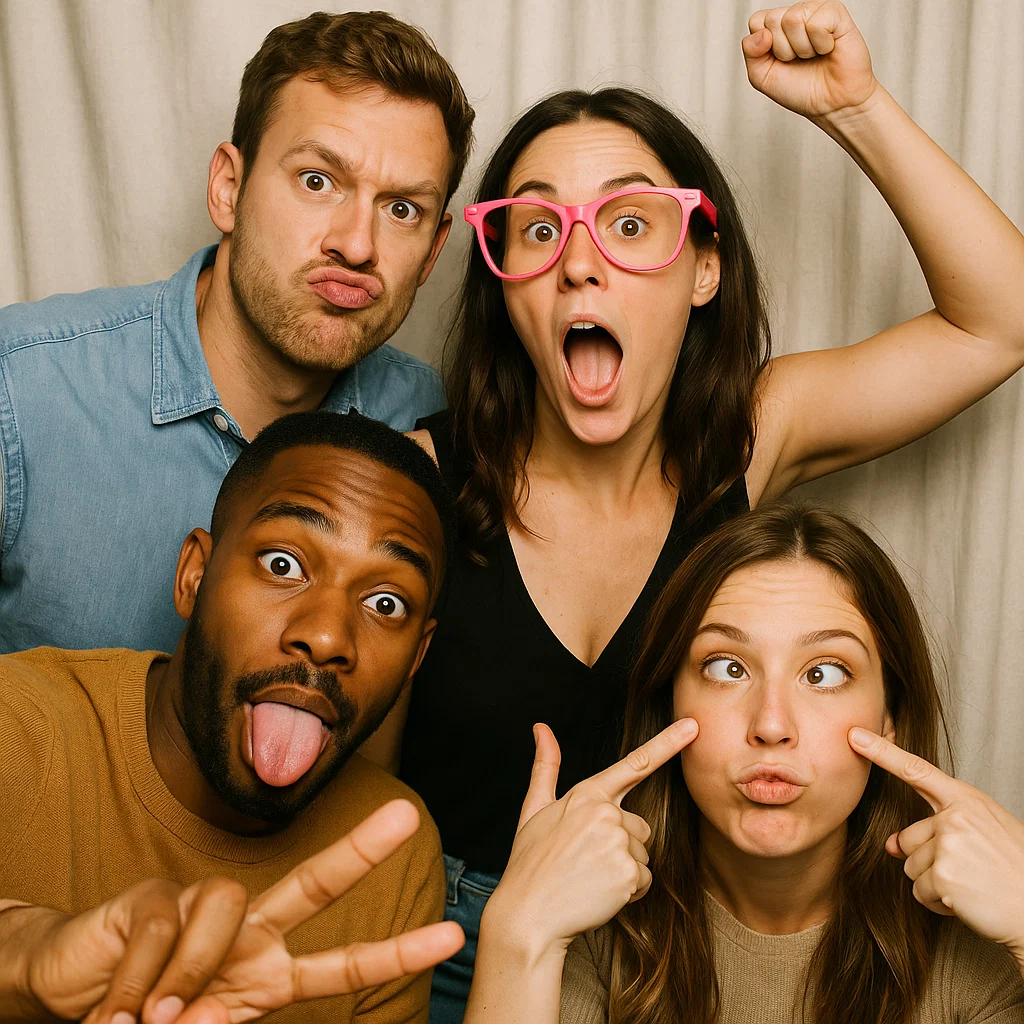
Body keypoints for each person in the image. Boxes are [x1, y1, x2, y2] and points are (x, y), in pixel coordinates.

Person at [359, 2, 1024, 1018]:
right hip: (447, 941)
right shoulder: (417, 482)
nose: (581, 261)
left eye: (630, 225)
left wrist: (855, 107)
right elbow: (356, 783)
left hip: (670, 952)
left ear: (703, 269)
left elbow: (1000, 318)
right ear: (504, 287)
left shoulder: (753, 436)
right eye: (538, 229)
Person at [0, 11, 474, 655]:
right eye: (317, 181)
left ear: (434, 251)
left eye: (401, 209)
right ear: (228, 188)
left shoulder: (439, 424)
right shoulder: (22, 390)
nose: (357, 245)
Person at [464, 503, 1024, 1023]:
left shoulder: (980, 953)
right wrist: (520, 930)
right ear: (670, 703)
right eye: (728, 668)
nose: (771, 725)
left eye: (824, 673)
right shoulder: (585, 923)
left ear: (890, 718)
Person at [0, 411, 464, 1023]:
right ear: (195, 575)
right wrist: (29, 963)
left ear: (417, 658)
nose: (327, 636)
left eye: (386, 602)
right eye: (283, 564)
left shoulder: (392, 857)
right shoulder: (19, 726)